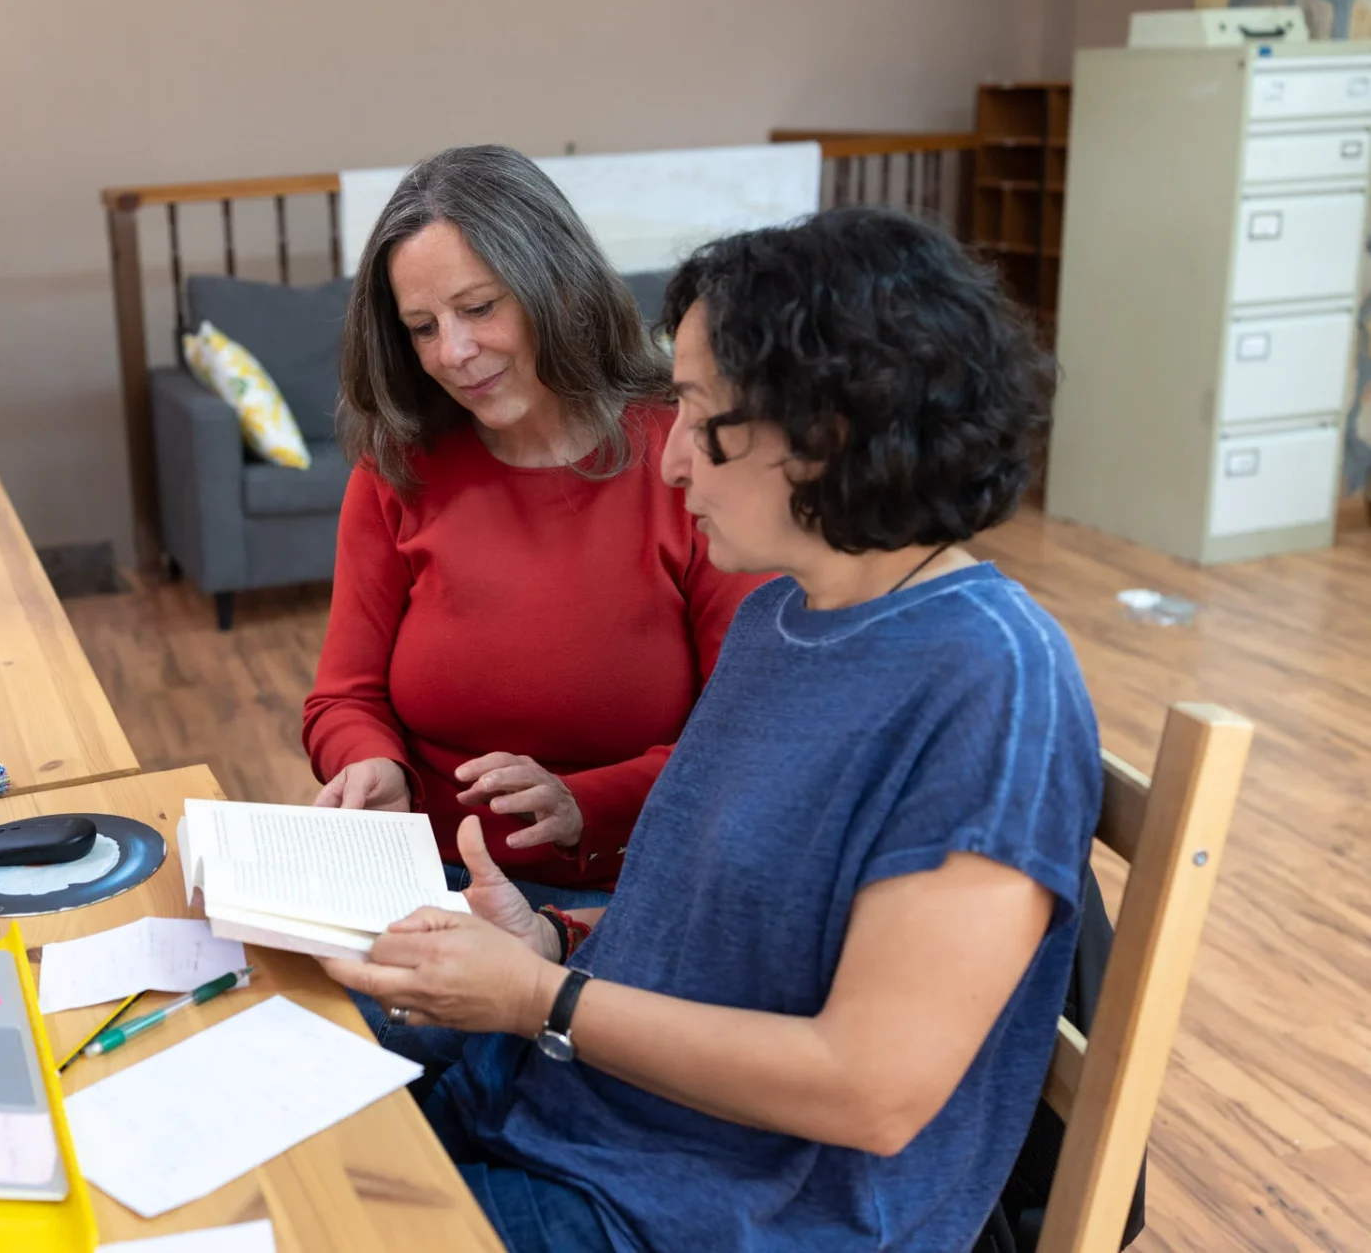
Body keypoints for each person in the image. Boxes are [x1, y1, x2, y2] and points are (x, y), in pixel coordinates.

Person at [321, 207, 1102, 1253]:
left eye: (700, 416)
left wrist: (543, 998)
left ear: (826, 428)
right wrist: (550, 939)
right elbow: (730, 932)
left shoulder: (990, 681)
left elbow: (872, 1090)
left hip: (720, 1207)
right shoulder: (787, 617)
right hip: (584, 1116)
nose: (673, 462)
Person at [303, 145, 764, 907]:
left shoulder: (684, 458)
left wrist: (589, 800)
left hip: (626, 887)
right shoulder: (397, 466)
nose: (452, 353)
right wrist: (369, 763)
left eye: (479, 308)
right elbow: (342, 699)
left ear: (555, 284)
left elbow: (747, 737)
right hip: (428, 881)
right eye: (421, 327)